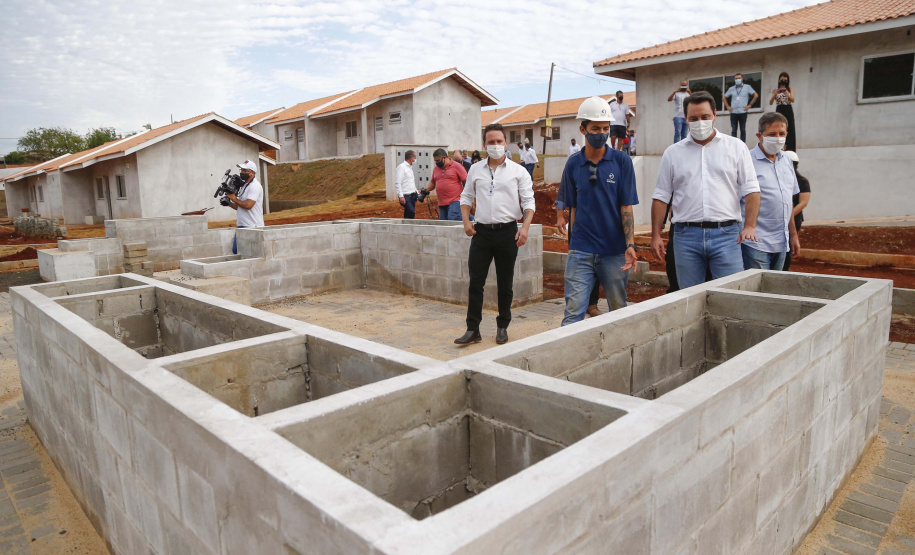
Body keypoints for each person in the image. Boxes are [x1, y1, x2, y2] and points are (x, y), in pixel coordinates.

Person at [650, 91, 761, 289]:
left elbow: (751, 190)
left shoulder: (736, 147)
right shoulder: (673, 153)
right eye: (693, 118)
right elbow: (661, 197)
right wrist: (656, 235)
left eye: (704, 117)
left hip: (727, 236)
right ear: (686, 118)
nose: (699, 122)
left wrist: (750, 226)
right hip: (686, 237)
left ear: (715, 115)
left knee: (730, 295)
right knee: (689, 298)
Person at [560, 97, 639, 326]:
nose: (601, 133)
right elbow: (572, 208)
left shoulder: (622, 162)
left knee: (618, 311)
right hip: (581, 251)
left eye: (605, 128)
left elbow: (627, 206)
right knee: (573, 314)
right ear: (583, 129)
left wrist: (630, 244)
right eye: (595, 128)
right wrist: (572, 246)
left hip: (614, 252)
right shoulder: (573, 164)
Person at [455, 122, 535, 345]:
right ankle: (473, 329)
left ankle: (502, 326)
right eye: (491, 142)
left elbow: (529, 203)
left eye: (499, 141)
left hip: (507, 233)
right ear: (484, 144)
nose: (496, 145)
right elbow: (465, 197)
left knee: (505, 283)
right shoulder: (475, 169)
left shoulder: (518, 172)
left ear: (506, 143)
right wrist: (466, 221)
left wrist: (525, 228)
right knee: (475, 282)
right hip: (481, 233)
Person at [741, 112, 801, 271]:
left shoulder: (787, 160)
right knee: (757, 290)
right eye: (772, 134)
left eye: (782, 134)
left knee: (773, 288)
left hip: (781, 242)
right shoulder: (747, 160)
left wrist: (793, 235)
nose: (778, 138)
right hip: (755, 242)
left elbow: (787, 201)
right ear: (759, 136)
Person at [555, 172, 602, 317]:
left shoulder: (611, 161)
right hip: (579, 223)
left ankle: (592, 303)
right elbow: (564, 189)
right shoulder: (576, 162)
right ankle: (577, 305)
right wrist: (560, 215)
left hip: (601, 222)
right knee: (578, 264)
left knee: (598, 262)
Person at [225, 160, 264, 255]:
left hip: (253, 225)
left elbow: (248, 205)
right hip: (243, 224)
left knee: (248, 253)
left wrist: (234, 199)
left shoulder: (254, 186)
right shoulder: (245, 185)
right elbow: (240, 206)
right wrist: (229, 203)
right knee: (238, 251)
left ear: (252, 173)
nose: (242, 173)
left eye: (244, 170)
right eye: (241, 170)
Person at [783, 150, 810, 271]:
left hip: (794, 218)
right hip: (779, 218)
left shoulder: (802, 181)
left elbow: (803, 202)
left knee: (788, 245)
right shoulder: (780, 179)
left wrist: (788, 215)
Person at [425, 148, 467, 221]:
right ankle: (471, 219)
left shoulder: (457, 166)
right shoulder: (436, 169)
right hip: (442, 202)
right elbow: (433, 183)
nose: (437, 163)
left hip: (456, 199)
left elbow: (467, 181)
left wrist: (470, 197)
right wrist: (425, 190)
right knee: (443, 222)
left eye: (438, 160)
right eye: (435, 161)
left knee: (453, 218)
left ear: (444, 158)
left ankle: (471, 220)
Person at [723, 73, 759, 142]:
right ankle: (734, 144)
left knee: (742, 130)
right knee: (734, 130)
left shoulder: (747, 87)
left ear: (742, 79)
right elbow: (724, 98)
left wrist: (750, 105)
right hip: (734, 112)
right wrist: (728, 106)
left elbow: (756, 95)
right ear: (734, 80)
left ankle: (743, 145)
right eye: (736, 78)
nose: (738, 79)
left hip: (743, 112)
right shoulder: (731, 89)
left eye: (739, 78)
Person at [769, 72, 796, 152]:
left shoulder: (790, 89)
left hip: (788, 108)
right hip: (779, 109)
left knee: (789, 128)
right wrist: (775, 94)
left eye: (785, 79)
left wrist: (787, 94)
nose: (783, 80)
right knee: (779, 127)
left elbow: (792, 100)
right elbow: (770, 102)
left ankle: (790, 148)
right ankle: (780, 147)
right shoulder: (775, 90)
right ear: (779, 79)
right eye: (782, 78)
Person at [394, 150, 419, 219]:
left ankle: (407, 227)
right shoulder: (402, 167)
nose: (415, 160)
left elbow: (411, 183)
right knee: (411, 212)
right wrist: (401, 196)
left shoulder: (410, 168)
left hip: (412, 195)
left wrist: (416, 193)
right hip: (406, 196)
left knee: (409, 214)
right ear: (411, 158)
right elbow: (398, 183)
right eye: (415, 157)